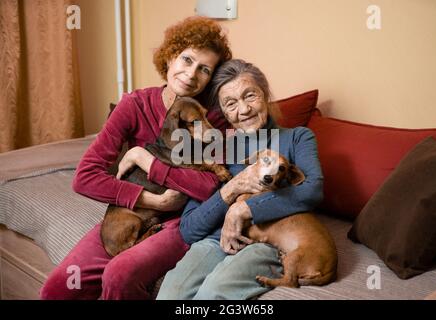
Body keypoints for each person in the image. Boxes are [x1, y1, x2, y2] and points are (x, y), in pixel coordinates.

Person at [40, 16, 232, 300]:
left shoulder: (211, 119)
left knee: (119, 276)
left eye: (204, 69)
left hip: (180, 222)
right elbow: (85, 178)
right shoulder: (134, 105)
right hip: (132, 212)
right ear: (169, 58)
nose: (191, 74)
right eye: (187, 60)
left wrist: (146, 161)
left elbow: (211, 186)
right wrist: (153, 200)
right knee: (58, 288)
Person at [156, 59, 324, 300]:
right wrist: (231, 189)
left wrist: (242, 209)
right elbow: (189, 228)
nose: (243, 110)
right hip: (214, 239)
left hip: (268, 241)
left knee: (213, 293)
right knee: (172, 294)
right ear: (223, 112)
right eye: (231, 103)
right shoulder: (214, 149)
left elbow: (312, 190)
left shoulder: (298, 137)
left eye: (250, 96)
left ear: (265, 95)